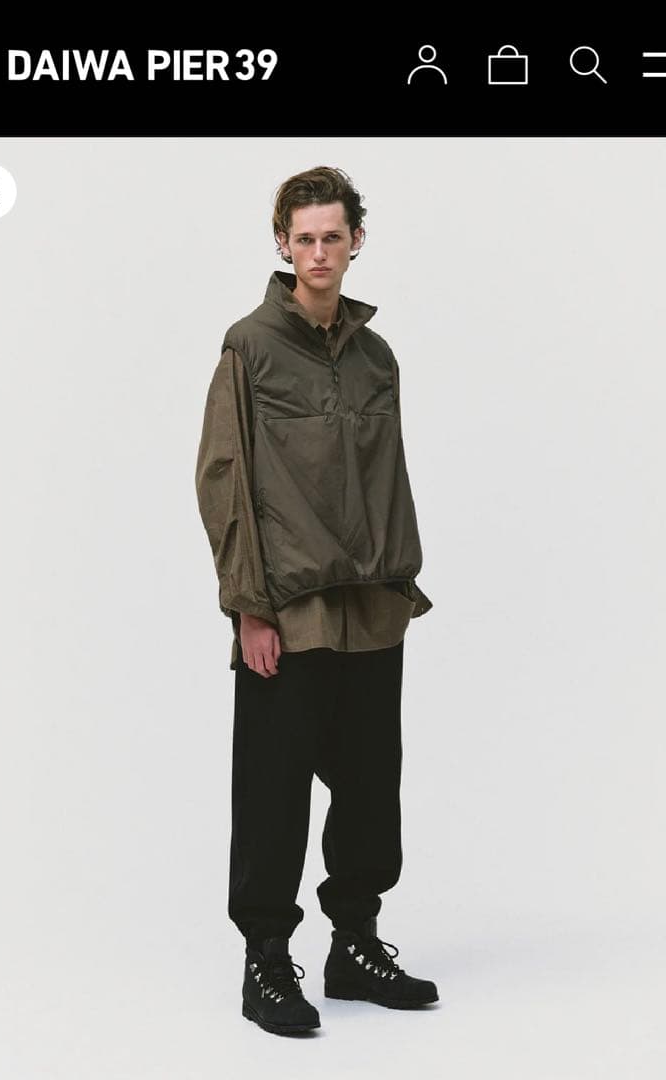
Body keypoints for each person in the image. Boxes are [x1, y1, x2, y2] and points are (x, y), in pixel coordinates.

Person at [195, 165, 438, 1037]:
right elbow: (223, 479)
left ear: (356, 241)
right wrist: (247, 608)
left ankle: (354, 946)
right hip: (288, 612)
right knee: (273, 792)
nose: (320, 252)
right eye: (305, 238)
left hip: (370, 607)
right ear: (283, 244)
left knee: (371, 787)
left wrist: (400, 581)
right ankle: (266, 960)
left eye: (333, 236)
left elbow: (389, 477)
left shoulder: (377, 357)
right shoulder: (250, 346)